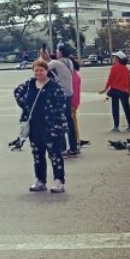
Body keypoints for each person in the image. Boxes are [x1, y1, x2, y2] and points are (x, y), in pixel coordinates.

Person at [14, 58, 68, 194]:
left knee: (55, 154)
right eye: (36, 70)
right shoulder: (29, 84)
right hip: (34, 125)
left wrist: (54, 116)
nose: (39, 73)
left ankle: (59, 181)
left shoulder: (54, 86)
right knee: (37, 154)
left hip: (51, 126)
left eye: (41, 70)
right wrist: (26, 107)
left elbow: (61, 104)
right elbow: (17, 92)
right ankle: (40, 180)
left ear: (46, 71)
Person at [49, 44, 78, 156]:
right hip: (69, 93)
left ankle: (62, 148)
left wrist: (41, 58)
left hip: (61, 95)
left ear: (60, 53)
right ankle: (74, 147)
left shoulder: (57, 63)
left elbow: (42, 66)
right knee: (69, 121)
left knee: (59, 120)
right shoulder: (69, 62)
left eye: (57, 51)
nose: (56, 52)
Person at [98, 50, 130, 131]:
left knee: (115, 109)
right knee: (127, 108)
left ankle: (116, 126)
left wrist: (105, 89)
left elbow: (110, 79)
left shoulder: (114, 67)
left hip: (115, 90)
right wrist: (129, 91)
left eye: (114, 57)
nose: (113, 58)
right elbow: (128, 81)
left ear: (118, 59)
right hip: (124, 91)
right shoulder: (126, 69)